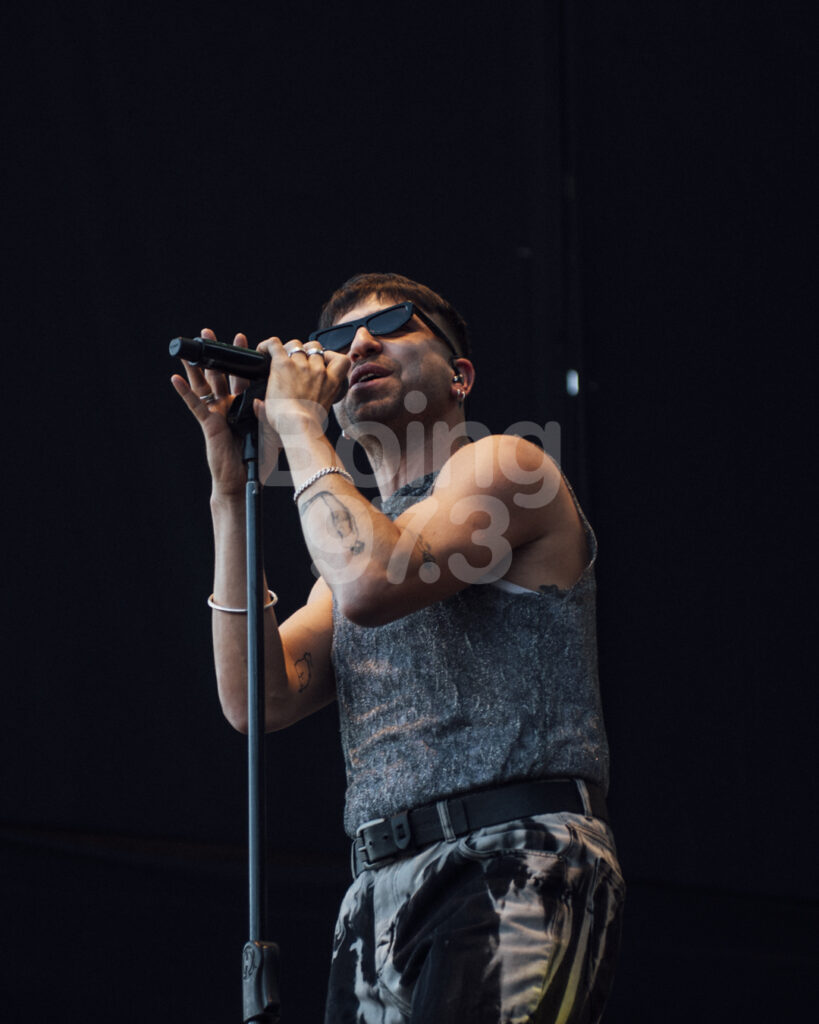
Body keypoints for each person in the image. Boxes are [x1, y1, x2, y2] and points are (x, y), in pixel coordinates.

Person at [171, 272, 624, 1023]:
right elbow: (257, 697)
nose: (358, 345)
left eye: (392, 324)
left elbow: (374, 580)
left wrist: (299, 426)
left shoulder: (506, 466)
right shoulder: (356, 547)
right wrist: (228, 492)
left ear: (459, 375)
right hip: (378, 890)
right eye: (336, 340)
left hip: (508, 856)